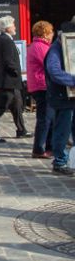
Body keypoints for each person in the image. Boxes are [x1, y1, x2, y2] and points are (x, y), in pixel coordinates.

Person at [0, 16, 31, 143]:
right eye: (13, 25)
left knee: (17, 105)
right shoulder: (5, 40)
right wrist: (16, 72)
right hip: (8, 80)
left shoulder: (3, 39)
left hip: (10, 81)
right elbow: (8, 60)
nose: (15, 27)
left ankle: (21, 130)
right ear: (7, 27)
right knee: (0, 108)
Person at [45, 21, 75, 176]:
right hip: (62, 97)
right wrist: (73, 80)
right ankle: (60, 161)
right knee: (62, 130)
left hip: (72, 96)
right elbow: (54, 71)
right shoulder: (56, 49)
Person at [26, 20, 55, 159]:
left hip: (39, 85)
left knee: (49, 117)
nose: (52, 35)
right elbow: (50, 64)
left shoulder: (37, 45)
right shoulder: (40, 46)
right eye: (51, 32)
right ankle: (39, 148)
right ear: (45, 33)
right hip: (41, 85)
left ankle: (48, 146)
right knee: (44, 118)